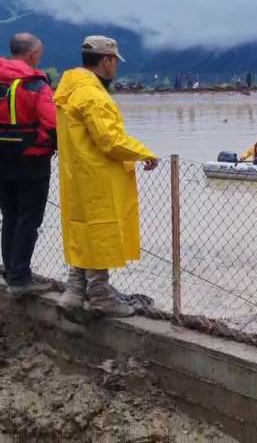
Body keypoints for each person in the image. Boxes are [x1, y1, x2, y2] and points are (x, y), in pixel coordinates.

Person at [54, 35, 159, 319]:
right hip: (98, 176)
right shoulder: (93, 96)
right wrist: (144, 153)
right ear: (108, 60)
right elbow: (110, 140)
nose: (116, 69)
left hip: (76, 175)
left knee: (82, 230)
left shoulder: (68, 92)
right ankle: (100, 295)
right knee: (100, 233)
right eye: (115, 62)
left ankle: (74, 291)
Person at [0, 33, 57, 298]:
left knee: (10, 216)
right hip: (32, 161)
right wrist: (56, 146)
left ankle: (11, 271)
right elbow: (53, 122)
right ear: (33, 54)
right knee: (29, 219)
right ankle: (20, 279)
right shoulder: (36, 85)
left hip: (2, 159)